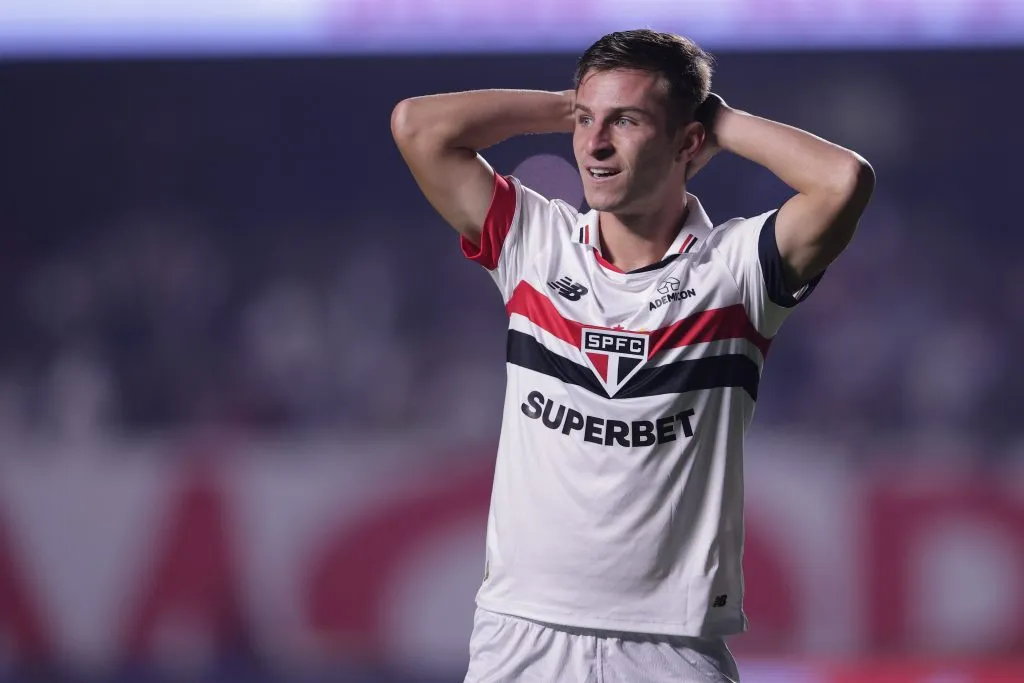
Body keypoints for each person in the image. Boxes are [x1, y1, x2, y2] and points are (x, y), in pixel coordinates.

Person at [391, 28, 873, 683]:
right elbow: (417, 126)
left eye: (626, 122)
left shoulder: (735, 271)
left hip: (670, 646)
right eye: (586, 122)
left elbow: (843, 180)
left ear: (688, 144)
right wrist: (570, 104)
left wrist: (717, 118)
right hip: (522, 635)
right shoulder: (536, 241)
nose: (594, 143)